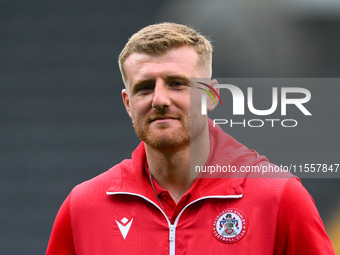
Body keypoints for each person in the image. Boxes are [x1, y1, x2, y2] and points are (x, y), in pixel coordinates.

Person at [46, 22, 335, 254]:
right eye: (145, 88)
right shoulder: (83, 207)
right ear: (127, 103)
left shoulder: (279, 197)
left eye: (176, 84)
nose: (159, 99)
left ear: (211, 97)